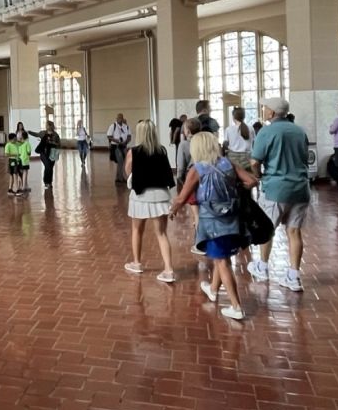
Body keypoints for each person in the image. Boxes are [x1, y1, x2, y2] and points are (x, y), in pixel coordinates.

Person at [171, 131, 258, 321]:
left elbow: (182, 196)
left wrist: (173, 210)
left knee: (222, 262)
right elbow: (252, 181)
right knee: (222, 256)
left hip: (212, 221)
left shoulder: (197, 169)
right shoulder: (228, 164)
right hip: (232, 217)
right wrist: (237, 189)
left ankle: (236, 307)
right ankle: (212, 290)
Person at [247, 97, 310, 293]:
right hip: (300, 188)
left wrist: (258, 177)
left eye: (265, 107)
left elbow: (255, 162)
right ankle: (293, 275)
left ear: (272, 113)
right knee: (294, 231)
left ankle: (263, 267)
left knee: (267, 229)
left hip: (276, 188)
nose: (263, 109)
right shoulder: (299, 131)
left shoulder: (266, 132)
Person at [123, 119, 177, 284]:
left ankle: (137, 263)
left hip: (140, 196)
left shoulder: (133, 151)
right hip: (161, 195)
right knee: (161, 234)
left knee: (137, 230)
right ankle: (168, 270)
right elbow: (168, 174)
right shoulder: (161, 151)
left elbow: (127, 172)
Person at [224, 107, 253, 173]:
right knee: (248, 178)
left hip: (233, 158)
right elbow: (254, 142)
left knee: (234, 180)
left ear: (233, 117)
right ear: (244, 117)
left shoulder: (228, 129)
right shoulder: (251, 128)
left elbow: (226, 143)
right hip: (247, 158)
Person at [6, 123, 32, 195]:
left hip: (17, 160)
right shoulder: (8, 145)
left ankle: (12, 189)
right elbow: (6, 154)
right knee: (14, 175)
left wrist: (22, 139)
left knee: (16, 174)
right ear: (11, 139)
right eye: (14, 139)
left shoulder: (17, 143)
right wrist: (15, 155)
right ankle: (16, 190)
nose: (16, 140)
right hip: (12, 161)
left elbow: (21, 143)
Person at [108, 114, 132, 184]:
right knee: (120, 161)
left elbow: (129, 136)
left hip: (124, 146)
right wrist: (117, 141)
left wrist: (125, 142)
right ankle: (121, 178)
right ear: (116, 118)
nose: (120, 119)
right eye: (118, 118)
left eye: (121, 118)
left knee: (122, 162)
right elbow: (109, 136)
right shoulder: (113, 126)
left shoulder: (126, 127)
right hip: (116, 146)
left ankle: (118, 178)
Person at [36, 121, 60, 190]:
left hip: (52, 153)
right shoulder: (43, 133)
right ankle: (46, 182)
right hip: (44, 153)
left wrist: (52, 142)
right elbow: (36, 134)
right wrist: (28, 132)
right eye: (46, 125)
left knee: (50, 168)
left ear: (51, 126)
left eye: (48, 125)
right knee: (48, 166)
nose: (47, 126)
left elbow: (59, 144)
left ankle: (50, 182)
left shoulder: (55, 135)